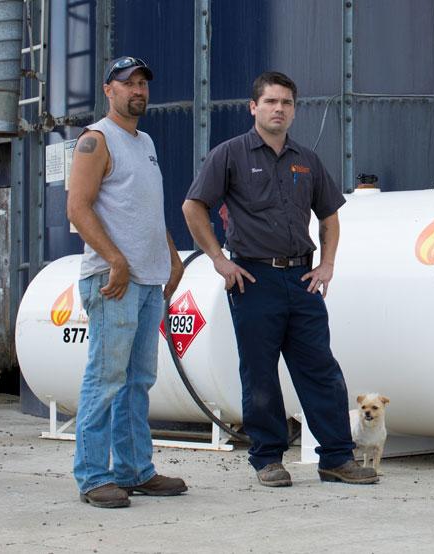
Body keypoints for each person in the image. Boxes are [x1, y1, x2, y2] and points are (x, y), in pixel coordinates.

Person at [182, 71, 376, 487]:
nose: (279, 109)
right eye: (270, 102)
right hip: (253, 280)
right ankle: (268, 459)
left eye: (286, 103)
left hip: (302, 279)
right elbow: (193, 207)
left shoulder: (306, 159)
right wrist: (218, 259)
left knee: (321, 369)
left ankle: (337, 459)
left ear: (293, 109)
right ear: (254, 107)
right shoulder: (229, 155)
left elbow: (329, 215)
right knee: (260, 373)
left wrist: (327, 265)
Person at [66, 56, 187, 508]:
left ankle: (135, 470)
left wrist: (173, 258)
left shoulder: (146, 141)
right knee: (106, 378)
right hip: (113, 281)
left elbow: (147, 212)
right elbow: (78, 208)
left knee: (138, 381)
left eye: (142, 83)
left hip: (148, 280)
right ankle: (93, 476)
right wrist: (115, 260)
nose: (137, 90)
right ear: (108, 90)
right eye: (127, 83)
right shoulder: (96, 141)